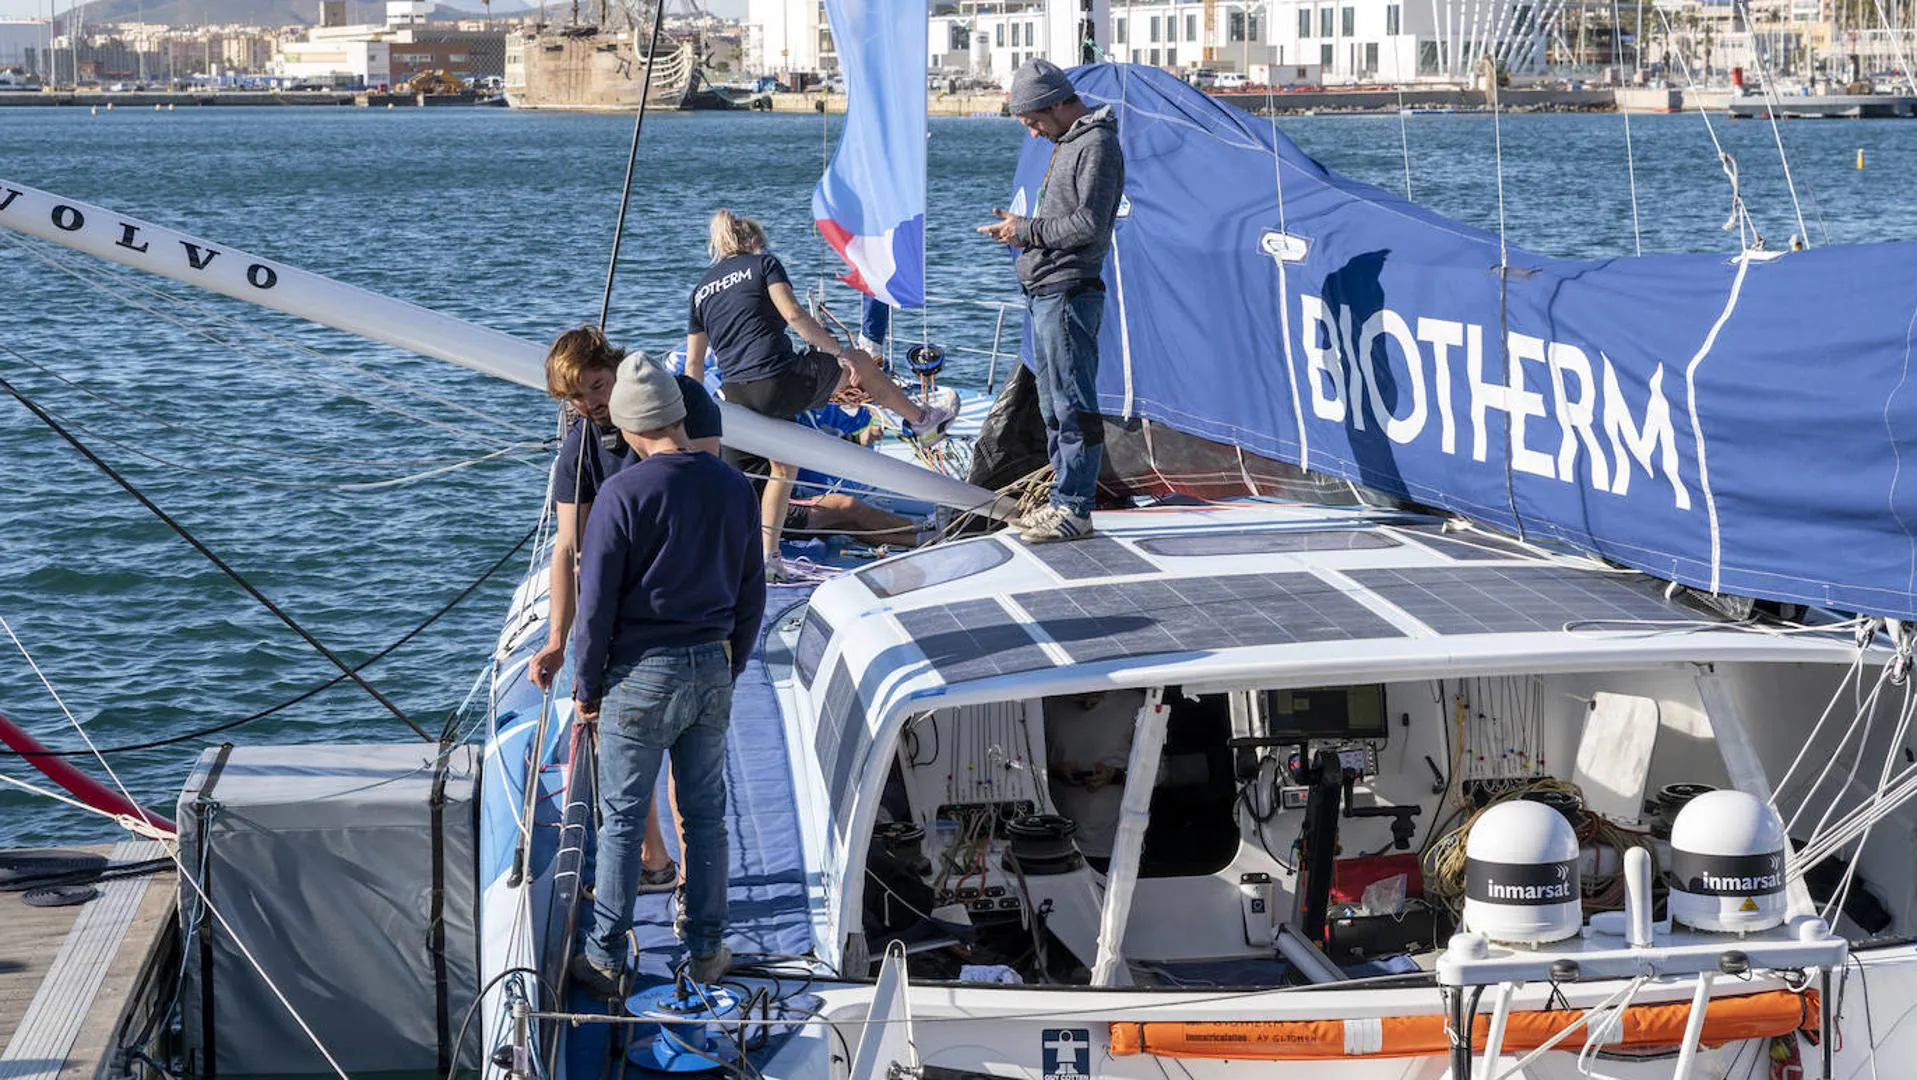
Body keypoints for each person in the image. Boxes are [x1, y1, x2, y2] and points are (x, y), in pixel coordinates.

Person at [569, 353, 765, 996]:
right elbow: (751, 590)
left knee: (622, 820)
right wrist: (727, 662)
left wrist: (587, 686)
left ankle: (604, 957)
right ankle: (707, 951)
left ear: (628, 427)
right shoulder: (735, 486)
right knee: (707, 815)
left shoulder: (623, 493)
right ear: (679, 417)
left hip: (639, 675)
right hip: (711, 663)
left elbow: (595, 604)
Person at [532, 325, 724, 896]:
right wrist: (557, 639)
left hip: (686, 609)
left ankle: (695, 882)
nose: (591, 405)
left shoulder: (687, 402)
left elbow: (701, 494)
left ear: (615, 369)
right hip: (621, 618)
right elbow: (568, 550)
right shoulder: (581, 449)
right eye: (577, 399)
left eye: (597, 387)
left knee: (690, 768)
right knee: (622, 755)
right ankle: (655, 862)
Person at [685, 209, 958, 577]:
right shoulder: (762, 264)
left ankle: (769, 560)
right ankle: (922, 419)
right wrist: (838, 354)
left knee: (783, 464)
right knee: (861, 361)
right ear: (752, 243)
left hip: (736, 397)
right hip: (778, 378)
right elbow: (795, 315)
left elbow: (693, 367)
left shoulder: (700, 291)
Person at [976, 58, 1125, 544]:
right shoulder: (1069, 142)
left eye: (1035, 121)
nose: (1035, 134)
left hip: (1067, 292)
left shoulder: (1096, 144)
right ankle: (1064, 498)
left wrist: (1026, 230)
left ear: (1058, 102)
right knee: (1051, 405)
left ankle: (1075, 507)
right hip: (1045, 292)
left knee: (1071, 404)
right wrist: (1022, 232)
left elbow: (1089, 225)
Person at [1044, 689, 1147, 875]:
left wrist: (1114, 775)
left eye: (1095, 697)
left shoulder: (1135, 703)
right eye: (1078, 697)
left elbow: (1159, 770)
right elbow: (1026, 761)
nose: (1087, 705)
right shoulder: (1048, 702)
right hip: (1055, 838)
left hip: (1112, 844)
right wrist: (1055, 771)